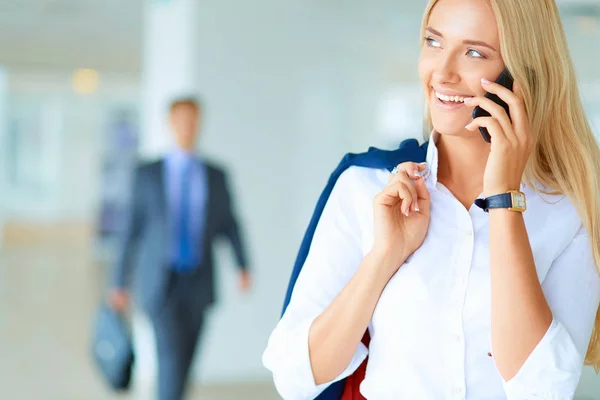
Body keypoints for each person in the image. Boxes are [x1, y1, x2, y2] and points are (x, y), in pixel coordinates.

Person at [262, 0, 600, 398]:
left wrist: (505, 201)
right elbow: (296, 379)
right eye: (434, 42)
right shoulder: (366, 185)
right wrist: (384, 257)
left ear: (520, 76)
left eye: (474, 52)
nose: (442, 72)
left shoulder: (568, 210)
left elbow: (543, 388)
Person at [110, 97, 251, 400]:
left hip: (199, 282)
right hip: (160, 281)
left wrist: (242, 265)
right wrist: (119, 282)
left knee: (186, 359)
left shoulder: (215, 175)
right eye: (181, 119)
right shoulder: (147, 174)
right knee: (171, 356)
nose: (187, 126)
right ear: (170, 124)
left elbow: (229, 224)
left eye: (193, 120)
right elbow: (129, 231)